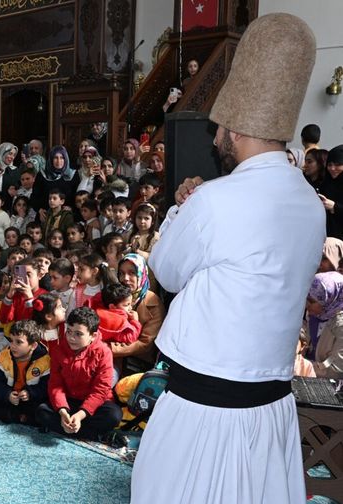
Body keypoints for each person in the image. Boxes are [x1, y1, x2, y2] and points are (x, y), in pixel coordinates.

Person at [132, 14, 324, 503]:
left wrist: (181, 208)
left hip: (204, 409)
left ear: (234, 129)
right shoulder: (309, 203)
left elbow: (167, 270)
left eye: (218, 124)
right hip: (271, 403)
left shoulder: (216, 200)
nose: (214, 132)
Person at [35, 307, 121, 440]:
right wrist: (63, 411)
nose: (71, 338)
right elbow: (55, 385)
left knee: (113, 416)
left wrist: (81, 414)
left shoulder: (104, 352)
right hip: (69, 402)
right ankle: (92, 434)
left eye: (78, 334)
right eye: (69, 332)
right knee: (41, 411)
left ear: (92, 336)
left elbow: (101, 389)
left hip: (94, 404)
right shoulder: (59, 349)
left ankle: (67, 428)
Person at [0, 320, 50, 425]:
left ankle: (19, 416)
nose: (13, 346)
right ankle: (20, 417)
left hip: (30, 399)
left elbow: (46, 386)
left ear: (33, 346)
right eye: (11, 340)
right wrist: (7, 394)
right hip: (11, 397)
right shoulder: (4, 356)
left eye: (18, 342)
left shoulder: (44, 361)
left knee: (43, 408)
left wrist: (30, 393)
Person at [305, 271, 343, 377]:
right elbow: (305, 332)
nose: (306, 304)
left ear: (330, 298)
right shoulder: (316, 313)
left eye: (311, 301)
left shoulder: (340, 326)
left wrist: (305, 368)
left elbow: (337, 370)